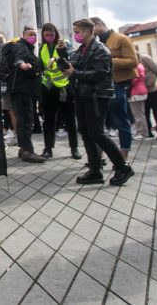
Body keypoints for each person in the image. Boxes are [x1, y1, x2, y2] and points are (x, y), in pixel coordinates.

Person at [63, 18, 133, 187]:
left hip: (96, 96)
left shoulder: (101, 50)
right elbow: (74, 65)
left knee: (97, 132)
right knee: (86, 132)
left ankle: (122, 166)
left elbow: (99, 74)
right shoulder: (81, 49)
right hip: (82, 95)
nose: (76, 35)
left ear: (88, 31)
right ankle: (95, 169)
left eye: (78, 32)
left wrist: (75, 73)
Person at [90, 17, 138, 160]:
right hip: (101, 85)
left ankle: (123, 157)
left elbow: (133, 61)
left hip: (117, 83)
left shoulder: (120, 38)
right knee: (100, 123)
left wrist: (108, 61)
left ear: (98, 25)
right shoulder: (97, 43)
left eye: (91, 29)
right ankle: (100, 155)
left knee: (121, 121)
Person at [38, 23, 80, 159]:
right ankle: (48, 148)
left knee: (69, 120)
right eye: (46, 35)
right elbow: (43, 67)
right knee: (48, 120)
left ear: (56, 34)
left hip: (64, 87)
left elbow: (68, 64)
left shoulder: (63, 45)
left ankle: (74, 148)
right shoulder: (42, 48)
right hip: (49, 88)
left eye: (52, 34)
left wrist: (58, 57)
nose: (49, 37)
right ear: (43, 36)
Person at [6, 27, 47, 164]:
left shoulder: (28, 48)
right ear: (23, 35)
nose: (34, 37)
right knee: (27, 120)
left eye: (35, 35)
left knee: (23, 120)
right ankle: (28, 151)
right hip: (22, 90)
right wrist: (22, 64)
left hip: (23, 90)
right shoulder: (21, 47)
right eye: (31, 34)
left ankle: (23, 149)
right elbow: (19, 59)